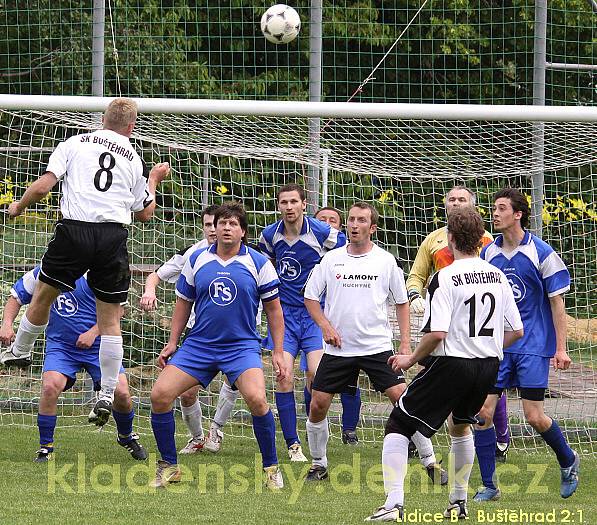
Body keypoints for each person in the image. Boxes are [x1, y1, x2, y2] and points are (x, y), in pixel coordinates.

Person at [0, 98, 170, 428]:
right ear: (132, 127)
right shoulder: (133, 158)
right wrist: (152, 181)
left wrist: (18, 207)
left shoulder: (74, 143)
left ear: (102, 119)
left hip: (74, 232)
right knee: (110, 323)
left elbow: (43, 186)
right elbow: (146, 213)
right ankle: (107, 391)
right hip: (112, 237)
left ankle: (19, 351)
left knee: (42, 297)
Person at [365, 207, 524, 521]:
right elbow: (517, 330)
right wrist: (486, 347)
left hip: (454, 364)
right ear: (481, 240)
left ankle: (393, 505)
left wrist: (411, 358)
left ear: (450, 239)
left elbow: (437, 333)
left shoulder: (445, 277)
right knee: (460, 425)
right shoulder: (497, 275)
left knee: (399, 422)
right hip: (488, 365)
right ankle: (458, 503)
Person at [303, 202, 447, 484]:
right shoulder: (331, 260)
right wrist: (325, 325)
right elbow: (310, 297)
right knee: (318, 404)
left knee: (405, 401)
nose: (354, 225)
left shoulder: (385, 261)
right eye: (351, 220)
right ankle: (318, 465)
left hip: (377, 348)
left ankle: (430, 463)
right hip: (339, 349)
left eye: (360, 221)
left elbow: (402, 302)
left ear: (373, 228)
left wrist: (405, 345)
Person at [149, 202, 289, 489]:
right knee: (160, 395)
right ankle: (169, 466)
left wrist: (277, 351)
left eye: (232, 224)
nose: (225, 227)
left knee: (258, 400)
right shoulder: (197, 258)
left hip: (241, 347)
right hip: (199, 345)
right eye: (221, 223)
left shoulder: (259, 263)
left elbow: (275, 310)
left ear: (243, 231)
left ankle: (272, 468)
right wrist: (173, 342)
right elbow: (183, 303)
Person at [473, 188, 580, 502]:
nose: (495, 213)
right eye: (493, 208)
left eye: (502, 208)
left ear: (517, 214)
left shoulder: (542, 252)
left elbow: (557, 304)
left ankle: (568, 459)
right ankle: (490, 486)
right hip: (499, 347)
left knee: (534, 416)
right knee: (483, 413)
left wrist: (561, 349)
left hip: (533, 345)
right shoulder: (487, 254)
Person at [406, 185, 511, 462]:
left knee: (486, 391)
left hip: (474, 326)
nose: (456, 204)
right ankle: (421, 435)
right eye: (451, 199)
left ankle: (499, 437)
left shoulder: (488, 242)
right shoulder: (433, 240)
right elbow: (416, 276)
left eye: (462, 199)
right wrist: (415, 295)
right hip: (443, 320)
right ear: (445, 205)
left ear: (473, 205)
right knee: (456, 398)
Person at [0, 267, 147, 462]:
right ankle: (46, 448)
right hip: (61, 347)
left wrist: (93, 332)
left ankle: (126, 436)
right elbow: (16, 296)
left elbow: (118, 310)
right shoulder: (46, 270)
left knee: (121, 393)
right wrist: (7, 324)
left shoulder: (100, 271)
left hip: (99, 345)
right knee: (50, 386)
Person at [140, 205, 240, 455]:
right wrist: (149, 290)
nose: (213, 230)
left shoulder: (245, 255)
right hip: (197, 333)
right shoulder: (192, 254)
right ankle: (197, 438)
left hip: (235, 334)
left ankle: (216, 428)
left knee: (237, 382)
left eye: (215, 224)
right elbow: (155, 276)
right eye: (207, 225)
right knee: (186, 392)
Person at [258, 184, 346, 461]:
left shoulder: (321, 232)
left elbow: (347, 248)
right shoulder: (270, 235)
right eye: (284, 202)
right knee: (283, 376)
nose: (289, 207)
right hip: (283, 316)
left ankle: (314, 428)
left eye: (294, 201)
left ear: (304, 204)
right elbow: (266, 265)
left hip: (314, 314)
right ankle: (293, 443)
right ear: (279, 206)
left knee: (315, 376)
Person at [300, 206, 361, 445]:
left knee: (349, 378)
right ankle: (313, 426)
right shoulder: (307, 253)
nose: (327, 224)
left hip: (344, 324)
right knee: (313, 376)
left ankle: (349, 430)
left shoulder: (351, 256)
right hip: (312, 322)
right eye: (321, 220)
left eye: (332, 221)